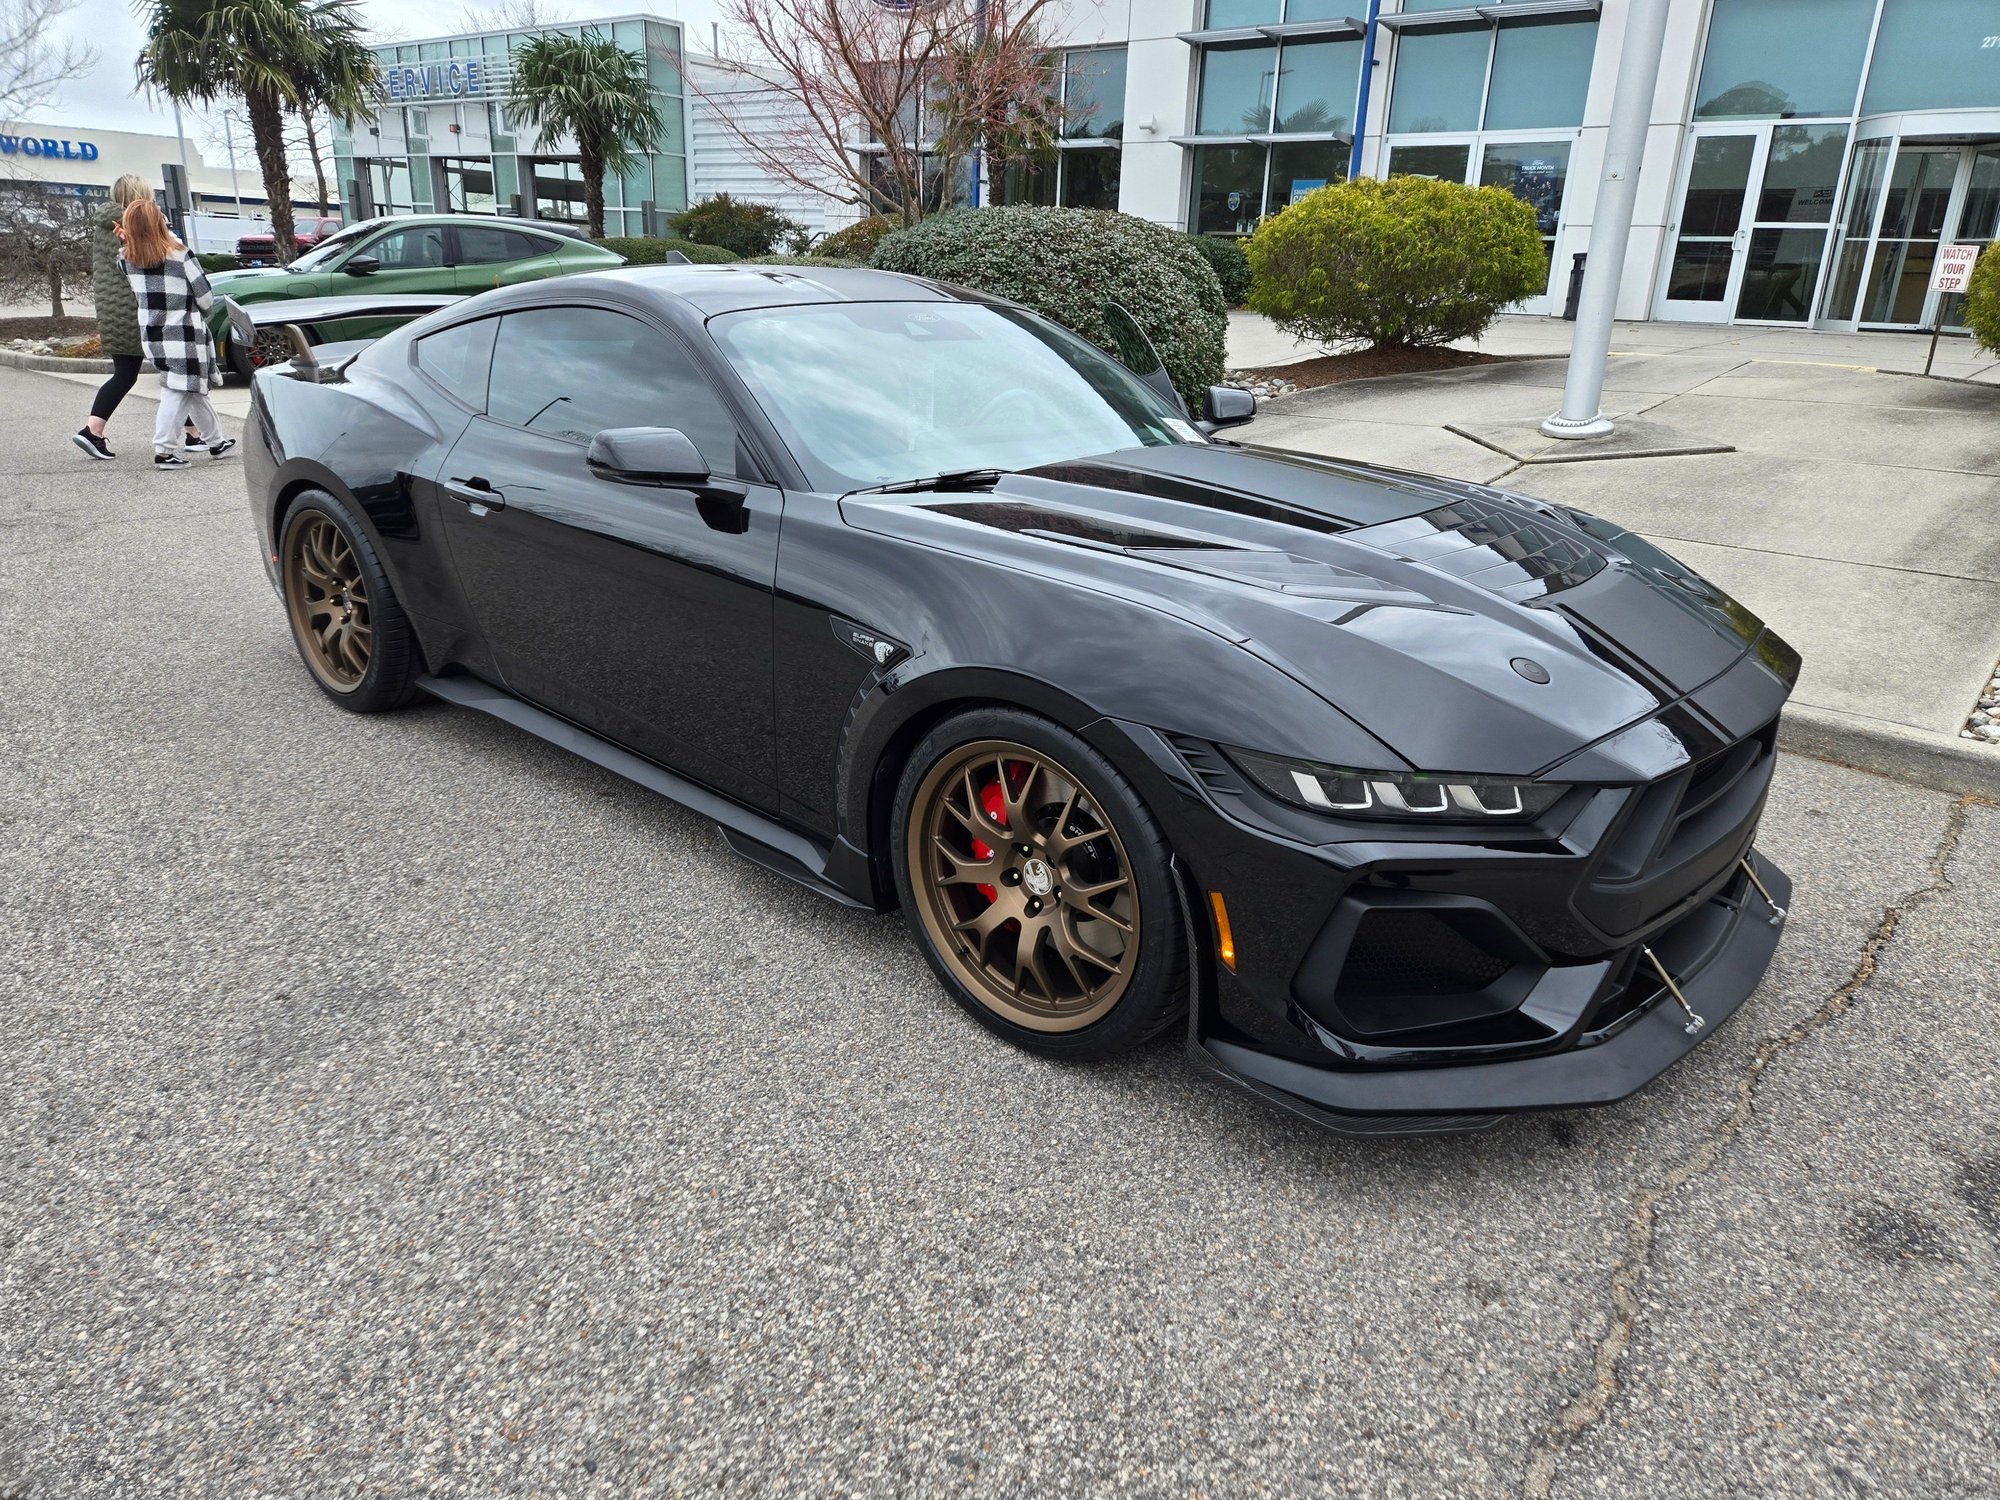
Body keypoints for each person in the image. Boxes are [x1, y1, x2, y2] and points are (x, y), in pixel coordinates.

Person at [74, 175, 200, 461]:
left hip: (114, 310)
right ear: (139, 196)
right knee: (175, 371)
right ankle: (92, 430)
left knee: (142, 372)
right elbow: (159, 261)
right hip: (138, 309)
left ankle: (194, 433)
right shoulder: (134, 225)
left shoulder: (106, 225)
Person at [116, 198, 236, 470]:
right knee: (177, 392)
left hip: (153, 335)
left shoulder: (126, 259)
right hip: (184, 336)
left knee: (192, 390)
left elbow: (136, 250)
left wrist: (128, 239)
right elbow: (205, 297)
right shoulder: (179, 254)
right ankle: (164, 450)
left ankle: (216, 441)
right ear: (160, 223)